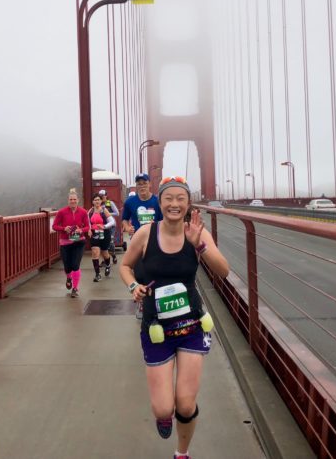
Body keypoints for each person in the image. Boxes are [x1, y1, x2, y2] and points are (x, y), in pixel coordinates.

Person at [119, 176, 229, 459]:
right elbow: (126, 266)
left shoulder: (197, 233)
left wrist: (200, 246)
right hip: (156, 327)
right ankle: (164, 415)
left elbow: (224, 271)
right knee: (163, 408)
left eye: (181, 198)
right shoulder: (146, 233)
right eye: (168, 198)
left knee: (185, 404)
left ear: (188, 203)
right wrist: (133, 286)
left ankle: (182, 452)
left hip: (191, 324)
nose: (174, 204)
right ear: (160, 202)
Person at [122, 173, 163, 318]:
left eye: (144, 183)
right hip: (137, 244)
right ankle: (142, 301)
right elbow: (125, 220)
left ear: (150, 184)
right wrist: (127, 228)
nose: (141, 186)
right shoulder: (130, 202)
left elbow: (165, 221)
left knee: (155, 273)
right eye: (139, 183)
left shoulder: (158, 201)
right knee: (139, 273)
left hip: (156, 242)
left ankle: (154, 301)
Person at [52, 188, 90, 298]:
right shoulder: (62, 212)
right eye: (70, 199)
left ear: (78, 200)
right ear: (68, 201)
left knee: (75, 265)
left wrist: (80, 230)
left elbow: (87, 227)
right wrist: (64, 228)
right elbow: (54, 226)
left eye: (74, 199)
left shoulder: (83, 212)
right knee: (67, 267)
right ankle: (69, 277)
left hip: (79, 242)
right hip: (65, 243)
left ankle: (75, 288)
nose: (72, 201)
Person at [88, 193, 116, 281]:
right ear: (92, 202)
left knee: (104, 253)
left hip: (104, 234)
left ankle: (108, 265)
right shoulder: (90, 211)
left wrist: (104, 226)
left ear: (101, 201)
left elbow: (112, 222)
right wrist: (89, 229)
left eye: (98, 200)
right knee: (95, 252)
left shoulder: (104, 210)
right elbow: (88, 222)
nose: (97, 201)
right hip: (94, 234)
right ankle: (97, 274)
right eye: (95, 200)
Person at [99, 189, 120, 264]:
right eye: (100, 196)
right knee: (102, 243)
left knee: (110, 242)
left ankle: (113, 255)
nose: (102, 197)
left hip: (111, 226)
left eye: (103, 196)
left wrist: (107, 213)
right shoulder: (98, 204)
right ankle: (105, 260)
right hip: (101, 226)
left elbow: (117, 213)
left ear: (106, 196)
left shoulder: (110, 203)